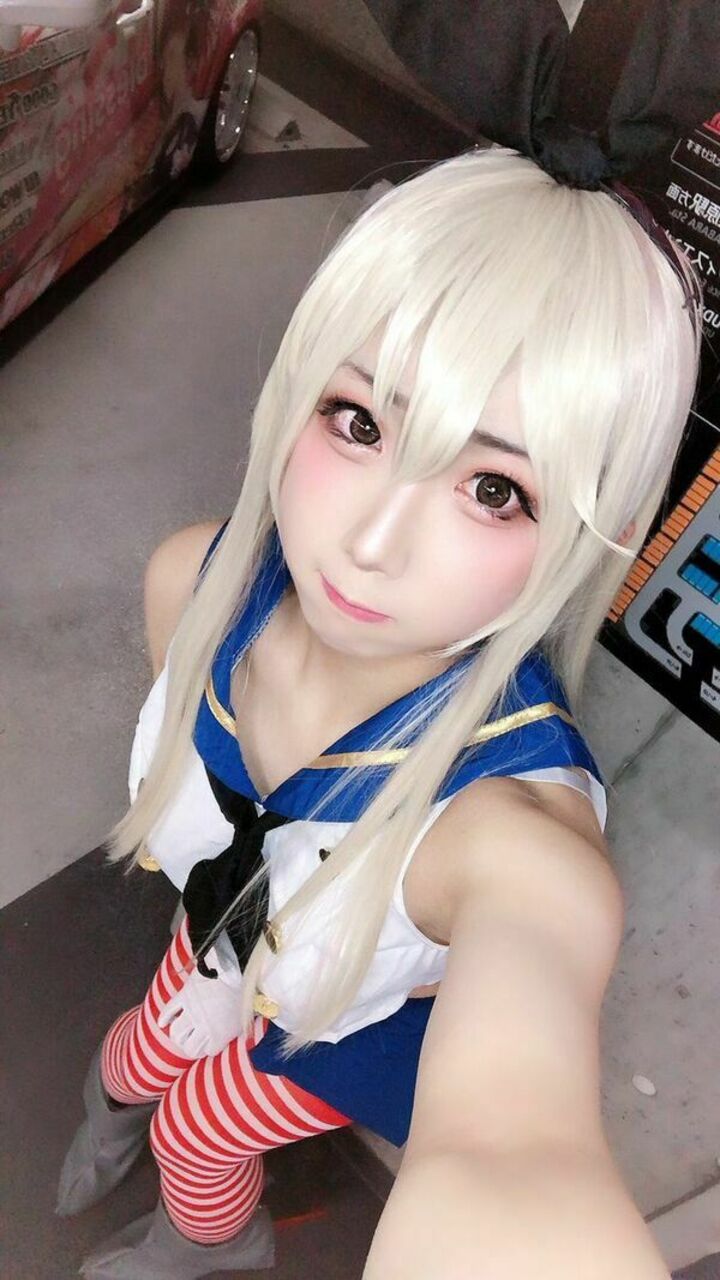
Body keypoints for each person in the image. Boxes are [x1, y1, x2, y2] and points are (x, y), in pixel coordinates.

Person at [57, 146, 701, 1279]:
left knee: (197, 1132)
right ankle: (113, 1113)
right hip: (229, 939)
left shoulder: (506, 834)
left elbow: (518, 1149)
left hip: (345, 1027)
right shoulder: (193, 588)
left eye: (493, 489)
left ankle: (211, 1240)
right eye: (358, 420)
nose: (372, 540)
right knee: (133, 1057)